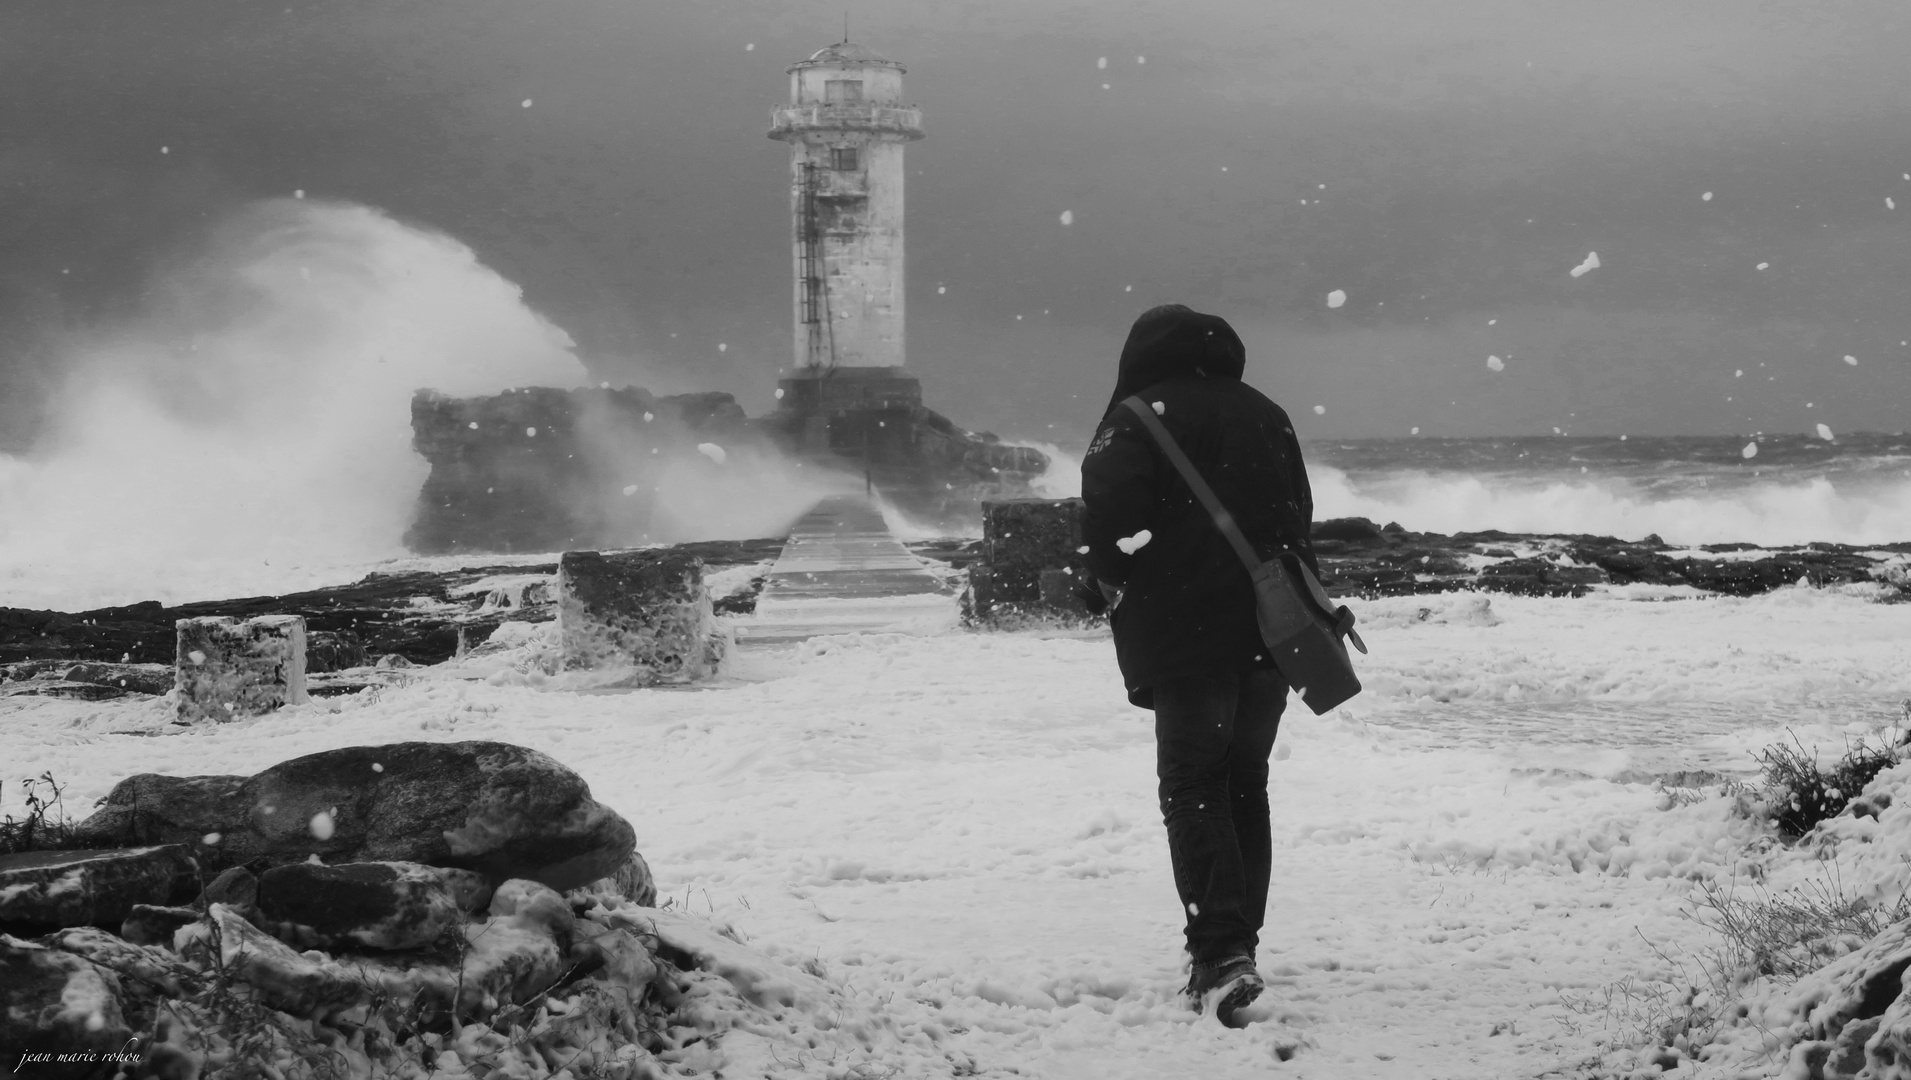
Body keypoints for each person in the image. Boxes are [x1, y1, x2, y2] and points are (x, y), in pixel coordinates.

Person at [1077, 303, 1319, 1028]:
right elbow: (1295, 514)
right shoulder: (1265, 411)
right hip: (1271, 630)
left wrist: (1108, 581)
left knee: (1192, 785)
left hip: (1186, 636)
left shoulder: (1133, 416)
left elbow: (1109, 523)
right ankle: (1235, 942)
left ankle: (1219, 954)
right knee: (1244, 781)